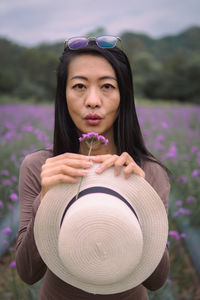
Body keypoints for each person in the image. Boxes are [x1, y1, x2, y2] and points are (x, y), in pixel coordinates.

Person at [16, 36, 170, 300]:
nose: (93, 101)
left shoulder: (147, 171)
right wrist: (46, 198)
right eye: (79, 86)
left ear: (124, 96)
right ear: (63, 96)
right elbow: (28, 272)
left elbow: (157, 280)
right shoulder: (40, 167)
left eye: (107, 86)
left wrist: (142, 200)